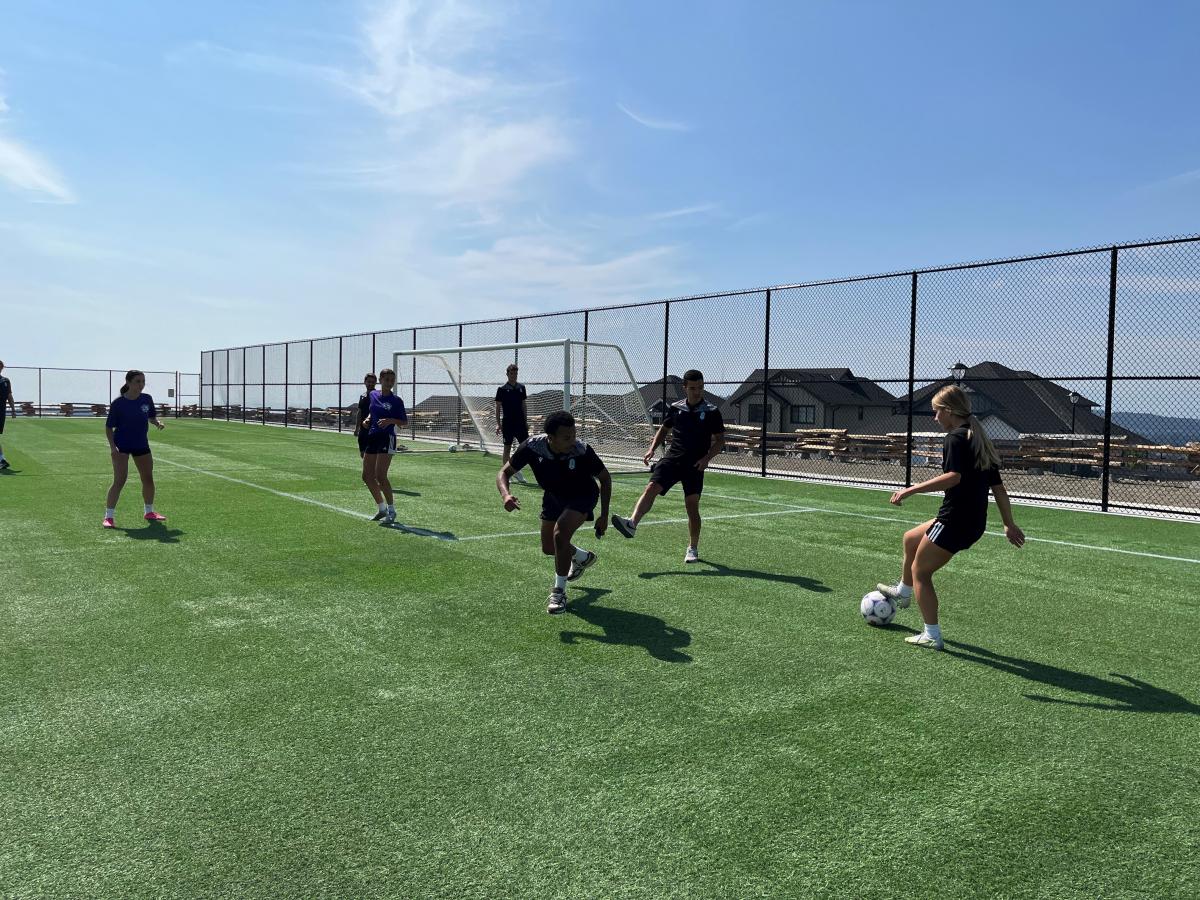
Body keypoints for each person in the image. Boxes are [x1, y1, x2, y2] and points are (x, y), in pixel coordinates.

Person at [878, 384, 1025, 649]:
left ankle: (931, 635)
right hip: (973, 522)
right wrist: (1008, 523)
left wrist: (910, 490)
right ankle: (903, 591)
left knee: (920, 571)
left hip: (954, 521)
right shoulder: (977, 439)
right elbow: (999, 489)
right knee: (910, 539)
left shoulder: (955, 438)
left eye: (936, 412)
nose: (935, 418)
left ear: (949, 411)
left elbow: (953, 477)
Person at [497, 410, 612, 614]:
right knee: (550, 547)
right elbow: (504, 473)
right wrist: (506, 495)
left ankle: (559, 592)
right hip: (553, 496)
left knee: (560, 534)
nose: (572, 441)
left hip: (583, 494)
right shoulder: (532, 447)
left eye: (574, 435)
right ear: (550, 438)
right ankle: (582, 557)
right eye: (567, 437)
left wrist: (604, 516)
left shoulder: (582, 450)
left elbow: (605, 478)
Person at [611, 369, 724, 563]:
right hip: (672, 459)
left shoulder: (712, 411)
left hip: (695, 465)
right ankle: (632, 524)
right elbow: (663, 430)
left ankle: (692, 548)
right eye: (693, 388)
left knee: (692, 506)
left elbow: (720, 441)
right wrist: (651, 449)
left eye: (700, 387)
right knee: (651, 487)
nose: (697, 392)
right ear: (685, 388)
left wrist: (706, 459)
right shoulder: (676, 408)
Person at [103, 369, 167, 528]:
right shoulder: (118, 403)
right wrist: (113, 448)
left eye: (143, 381)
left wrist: (157, 423)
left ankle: (149, 511)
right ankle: (109, 517)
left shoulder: (147, 399)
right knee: (120, 480)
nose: (141, 384)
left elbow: (151, 417)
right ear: (128, 382)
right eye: (138, 381)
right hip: (122, 446)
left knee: (148, 478)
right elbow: (109, 427)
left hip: (141, 444)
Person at [362, 368, 407, 525]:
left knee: (380, 476)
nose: (389, 383)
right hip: (373, 436)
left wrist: (390, 421)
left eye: (392, 380)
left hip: (387, 438)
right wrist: (367, 419)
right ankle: (382, 509)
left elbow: (404, 422)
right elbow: (372, 411)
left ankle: (392, 510)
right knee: (366, 476)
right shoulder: (373, 395)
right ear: (380, 380)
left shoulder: (396, 401)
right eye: (386, 380)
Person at [494, 363, 529, 484]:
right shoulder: (502, 389)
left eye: (516, 373)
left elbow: (524, 405)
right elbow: (497, 407)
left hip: (520, 424)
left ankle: (517, 471)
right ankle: (507, 475)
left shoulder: (521, 388)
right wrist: (498, 423)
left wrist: (525, 421)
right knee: (507, 449)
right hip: (508, 424)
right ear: (507, 374)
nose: (514, 375)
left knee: (526, 448)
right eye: (512, 373)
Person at [352, 372, 377, 461]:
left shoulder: (378, 396)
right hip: (363, 430)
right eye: (369, 382)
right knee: (363, 454)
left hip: (373, 430)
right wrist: (356, 429)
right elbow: (360, 412)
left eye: (373, 382)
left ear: (375, 383)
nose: (370, 384)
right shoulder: (362, 396)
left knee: (372, 455)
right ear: (365, 382)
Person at [0, 360, 14, 469]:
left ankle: (2, 459)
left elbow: (9, 396)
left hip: (1, 412)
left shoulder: (5, 381)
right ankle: (2, 459)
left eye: (1, 366)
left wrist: (13, 409)